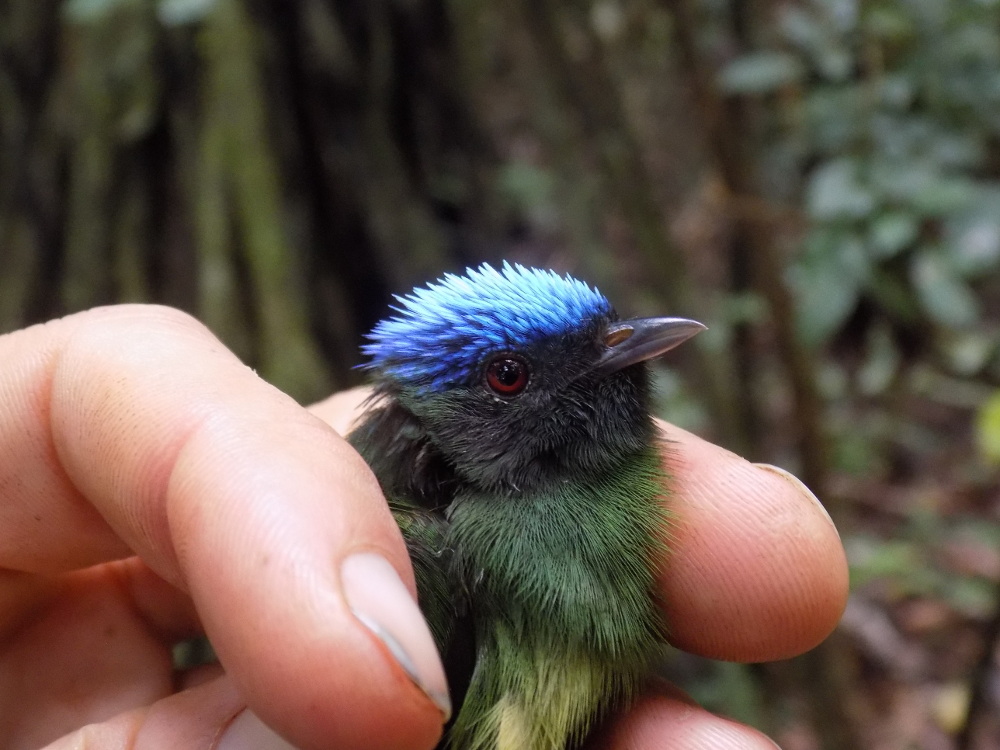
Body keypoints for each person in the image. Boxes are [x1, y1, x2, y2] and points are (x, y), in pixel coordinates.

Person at [0, 305, 848, 750]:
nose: (624, 349)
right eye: (513, 376)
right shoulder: (435, 551)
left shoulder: (614, 500)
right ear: (441, 424)